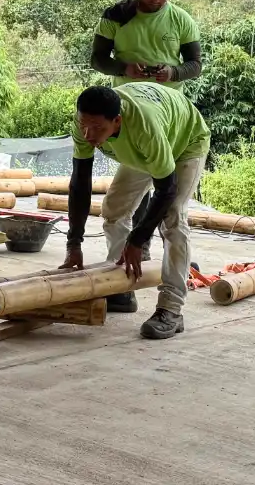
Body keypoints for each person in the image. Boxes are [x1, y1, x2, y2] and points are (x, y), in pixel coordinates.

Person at [59, 81, 210, 340]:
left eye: (97, 129)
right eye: (84, 125)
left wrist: (137, 239)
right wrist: (74, 242)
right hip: (145, 151)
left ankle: (171, 309)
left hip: (185, 142)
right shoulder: (85, 124)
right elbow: (80, 182)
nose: (88, 135)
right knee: (114, 209)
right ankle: (122, 286)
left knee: (172, 218)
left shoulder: (144, 127)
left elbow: (167, 189)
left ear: (117, 121)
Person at [92, 0, 202, 87]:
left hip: (168, 100)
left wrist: (173, 72)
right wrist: (125, 69)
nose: (156, 0)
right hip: (127, 98)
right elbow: (97, 60)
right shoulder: (116, 15)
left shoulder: (182, 19)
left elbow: (195, 65)